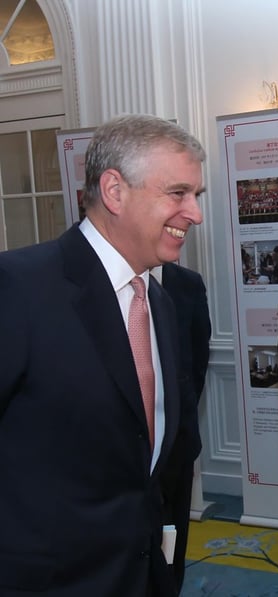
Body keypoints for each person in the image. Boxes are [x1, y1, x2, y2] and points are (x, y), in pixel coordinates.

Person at [0, 114, 205, 596]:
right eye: (178, 193)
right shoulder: (18, 287)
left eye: (196, 196)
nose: (194, 213)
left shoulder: (159, 300)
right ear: (114, 191)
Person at [154, 262, 212, 592]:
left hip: (178, 444)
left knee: (173, 539)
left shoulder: (188, 284)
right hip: (121, 454)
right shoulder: (101, 281)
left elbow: (197, 361)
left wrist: (177, 417)